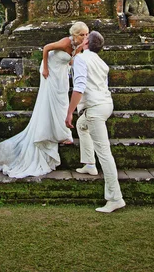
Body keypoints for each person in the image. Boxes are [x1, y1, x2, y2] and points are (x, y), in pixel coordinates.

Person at [0, 21, 89, 178]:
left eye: (87, 34)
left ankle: (62, 133)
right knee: (50, 101)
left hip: (61, 72)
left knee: (62, 101)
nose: (85, 37)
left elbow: (72, 60)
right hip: (50, 71)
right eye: (82, 35)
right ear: (74, 35)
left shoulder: (79, 46)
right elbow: (46, 48)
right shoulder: (65, 41)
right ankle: (49, 133)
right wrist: (45, 67)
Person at [65, 30, 125, 213]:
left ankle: (115, 198)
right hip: (105, 105)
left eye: (85, 38)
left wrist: (69, 113)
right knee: (82, 126)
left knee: (104, 152)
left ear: (86, 44)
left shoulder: (83, 59)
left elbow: (79, 87)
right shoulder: (101, 62)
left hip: (95, 109)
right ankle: (89, 163)